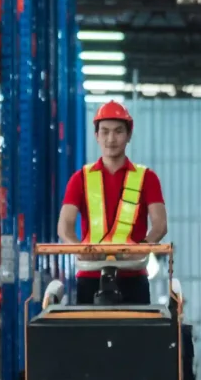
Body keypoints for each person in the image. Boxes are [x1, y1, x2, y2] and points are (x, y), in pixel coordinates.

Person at [54, 100, 167, 305]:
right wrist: (79, 249)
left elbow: (160, 225)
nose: (111, 138)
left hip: (134, 275)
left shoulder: (147, 178)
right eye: (104, 131)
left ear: (129, 135)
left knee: (137, 337)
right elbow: (64, 226)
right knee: (89, 338)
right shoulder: (80, 179)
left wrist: (141, 248)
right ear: (96, 136)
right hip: (90, 277)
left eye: (118, 131)